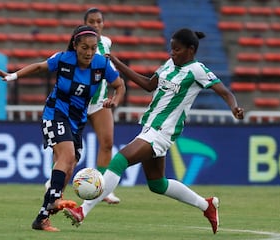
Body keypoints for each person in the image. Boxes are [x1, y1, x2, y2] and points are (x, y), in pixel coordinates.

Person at [63, 28, 245, 234]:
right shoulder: (169, 65)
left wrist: (234, 108)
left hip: (163, 131)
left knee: (119, 161)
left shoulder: (197, 70)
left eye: (177, 50)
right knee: (157, 184)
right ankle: (207, 205)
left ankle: (82, 211)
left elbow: (224, 91)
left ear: (191, 50)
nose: (172, 53)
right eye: (171, 49)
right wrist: (118, 63)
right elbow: (148, 85)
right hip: (150, 127)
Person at [0, 25, 125, 232]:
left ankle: (42, 218)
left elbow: (119, 85)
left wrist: (114, 100)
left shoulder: (102, 64)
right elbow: (38, 67)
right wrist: (12, 76)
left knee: (70, 165)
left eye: (92, 48)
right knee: (66, 155)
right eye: (84, 48)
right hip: (55, 114)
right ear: (75, 45)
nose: (89, 52)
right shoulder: (64, 59)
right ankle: (55, 199)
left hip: (77, 120)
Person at [44, 7, 122, 204]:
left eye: (99, 22)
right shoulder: (79, 46)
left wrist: (114, 97)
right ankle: (56, 184)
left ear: (103, 24)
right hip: (74, 103)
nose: (96, 25)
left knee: (108, 142)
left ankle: (101, 187)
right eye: (92, 22)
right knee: (67, 151)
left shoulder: (106, 43)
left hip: (97, 102)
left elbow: (113, 75)